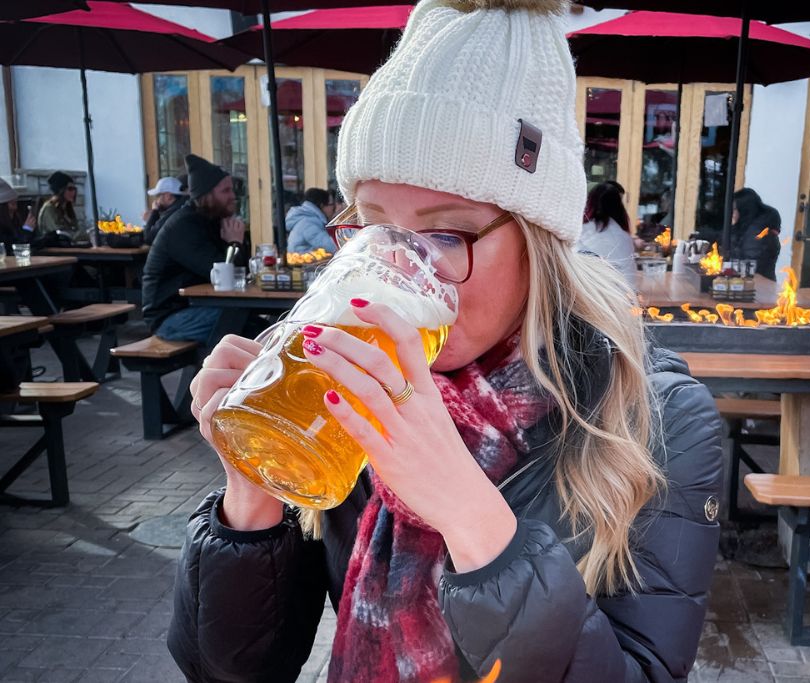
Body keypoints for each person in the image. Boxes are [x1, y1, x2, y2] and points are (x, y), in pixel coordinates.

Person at [169, 2, 723, 682]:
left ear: (539, 241)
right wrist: (250, 500)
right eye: (374, 228)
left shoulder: (657, 420)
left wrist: (471, 515)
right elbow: (231, 670)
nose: (400, 272)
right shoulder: (343, 379)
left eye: (444, 235)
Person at [142, 154, 248, 346]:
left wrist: (237, 243)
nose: (233, 196)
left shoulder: (213, 219)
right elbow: (221, 275)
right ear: (207, 195)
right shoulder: (184, 226)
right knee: (245, 324)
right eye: (225, 191)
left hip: (200, 307)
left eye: (231, 190)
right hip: (170, 318)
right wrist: (235, 244)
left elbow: (243, 271)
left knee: (254, 323)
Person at [578, 181, 635, 278]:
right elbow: (630, 277)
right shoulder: (623, 236)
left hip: (586, 288)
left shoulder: (580, 231)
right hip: (620, 290)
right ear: (619, 207)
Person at [729, 187, 782, 281]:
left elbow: (751, 265)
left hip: (757, 287)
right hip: (755, 284)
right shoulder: (746, 226)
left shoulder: (757, 233)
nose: (732, 213)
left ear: (744, 210)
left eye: (734, 209)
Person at [35, 171, 86, 244]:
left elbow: (75, 228)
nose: (73, 192)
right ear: (61, 190)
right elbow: (59, 233)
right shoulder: (49, 208)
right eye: (70, 189)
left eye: (74, 189)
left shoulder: (67, 208)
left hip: (67, 247)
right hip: (52, 249)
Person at [286, 187, 338, 254]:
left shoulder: (307, 218)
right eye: (331, 205)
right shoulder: (309, 223)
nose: (334, 209)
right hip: (303, 262)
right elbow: (331, 246)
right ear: (322, 205)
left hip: (303, 260)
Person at [143, 176, 188, 245]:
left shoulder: (173, 213)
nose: (156, 200)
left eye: (158, 196)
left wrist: (154, 212)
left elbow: (148, 238)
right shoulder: (183, 205)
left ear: (168, 196)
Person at [0, 179, 35, 252]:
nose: (15, 208)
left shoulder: (15, 219)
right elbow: (10, 247)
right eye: (11, 203)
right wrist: (27, 230)